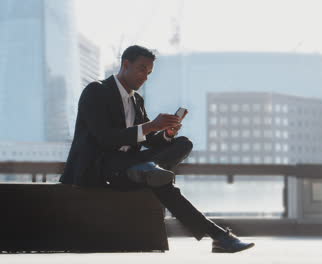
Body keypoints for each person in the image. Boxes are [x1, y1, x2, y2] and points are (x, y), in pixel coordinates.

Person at [60, 45, 255, 253]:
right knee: (159, 181)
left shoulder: (136, 100)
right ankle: (219, 236)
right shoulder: (96, 91)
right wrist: (151, 125)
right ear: (126, 65)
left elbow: (149, 140)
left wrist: (166, 133)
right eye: (142, 69)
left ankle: (148, 170)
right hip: (101, 166)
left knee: (183, 143)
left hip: (129, 166)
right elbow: (105, 138)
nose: (145, 77)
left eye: (149, 72)